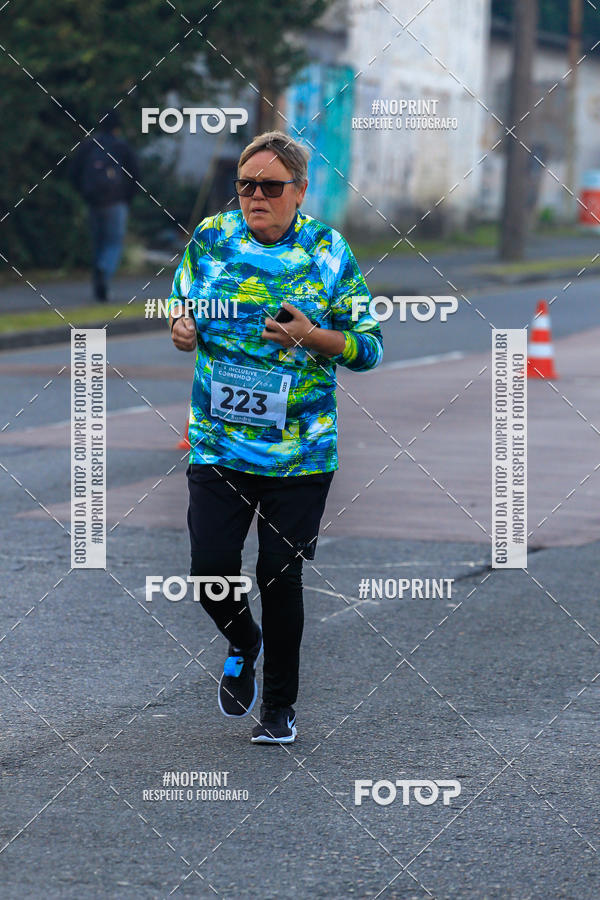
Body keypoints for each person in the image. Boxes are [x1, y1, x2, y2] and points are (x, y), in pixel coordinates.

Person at [168, 130, 383, 744]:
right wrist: (182, 330)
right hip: (219, 442)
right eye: (244, 185)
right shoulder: (211, 237)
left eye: (269, 186)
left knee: (276, 575)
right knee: (211, 568)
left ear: (300, 191)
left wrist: (313, 337)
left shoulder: (328, 251)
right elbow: (181, 308)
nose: (254, 196)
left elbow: (368, 348)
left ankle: (279, 709)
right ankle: (243, 639)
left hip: (301, 450)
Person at [70, 110, 139, 302]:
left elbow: (74, 172)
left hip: (93, 202)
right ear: (118, 127)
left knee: (98, 243)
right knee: (113, 243)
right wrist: (128, 198)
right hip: (116, 202)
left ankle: (98, 285)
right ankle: (104, 272)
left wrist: (84, 194)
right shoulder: (121, 146)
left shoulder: (89, 145)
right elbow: (136, 175)